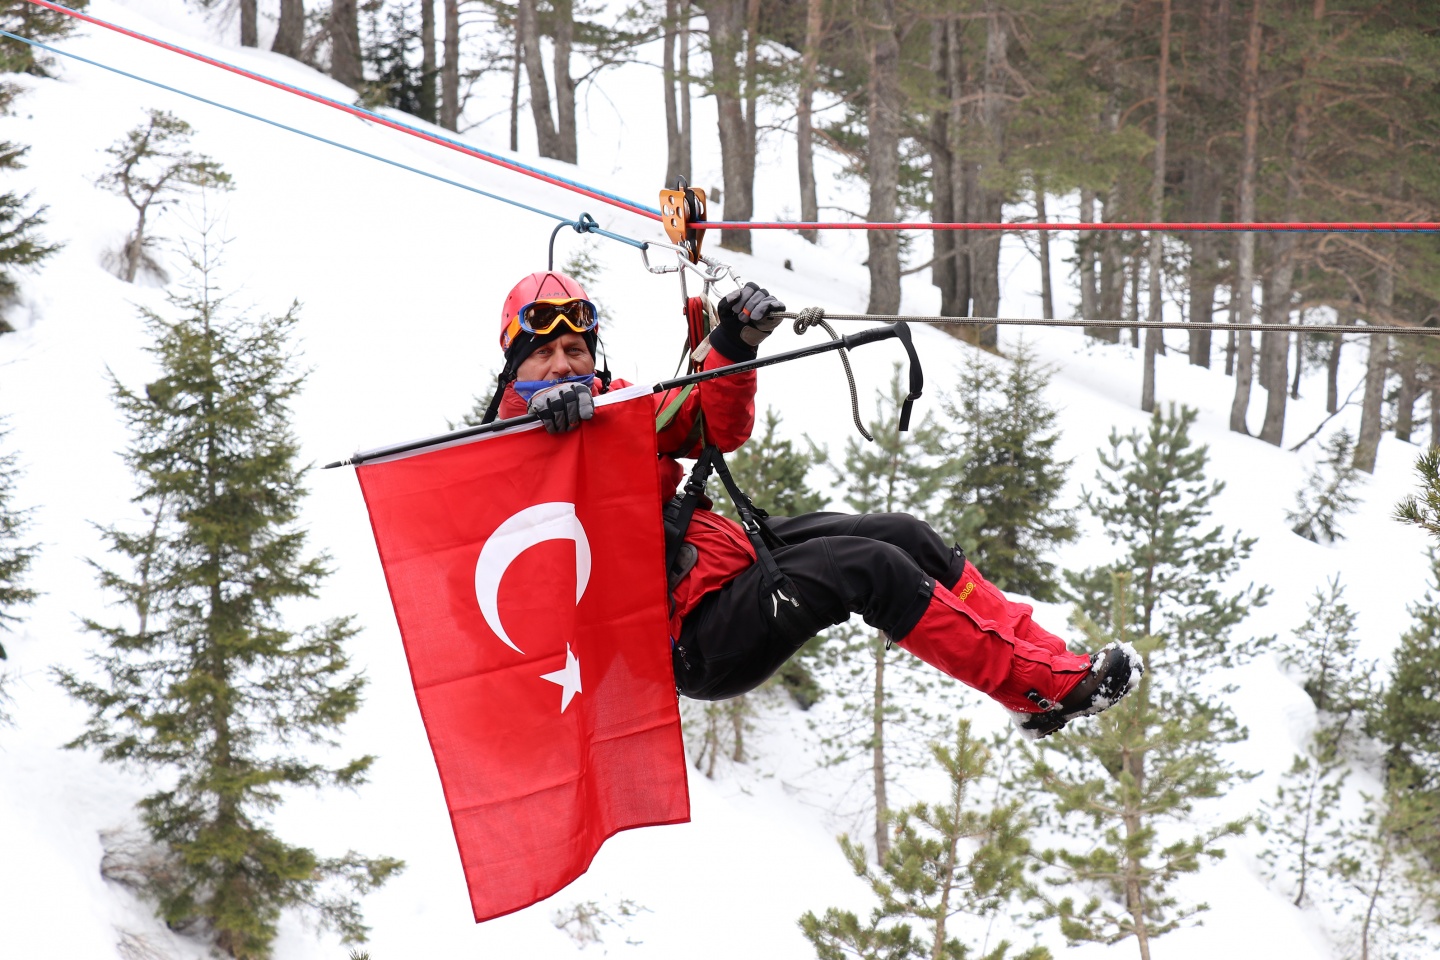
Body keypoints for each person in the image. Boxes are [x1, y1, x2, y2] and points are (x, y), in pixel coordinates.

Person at [486, 271, 1141, 738]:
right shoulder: (499, 455)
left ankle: (1047, 673)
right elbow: (514, 531)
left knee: (902, 535)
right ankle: (1039, 686)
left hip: (729, 564)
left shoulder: (614, 406)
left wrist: (735, 345)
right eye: (543, 354)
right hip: (692, 632)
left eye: (574, 350)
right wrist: (534, 428)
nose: (563, 365)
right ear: (515, 371)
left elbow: (712, 426)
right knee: (870, 571)